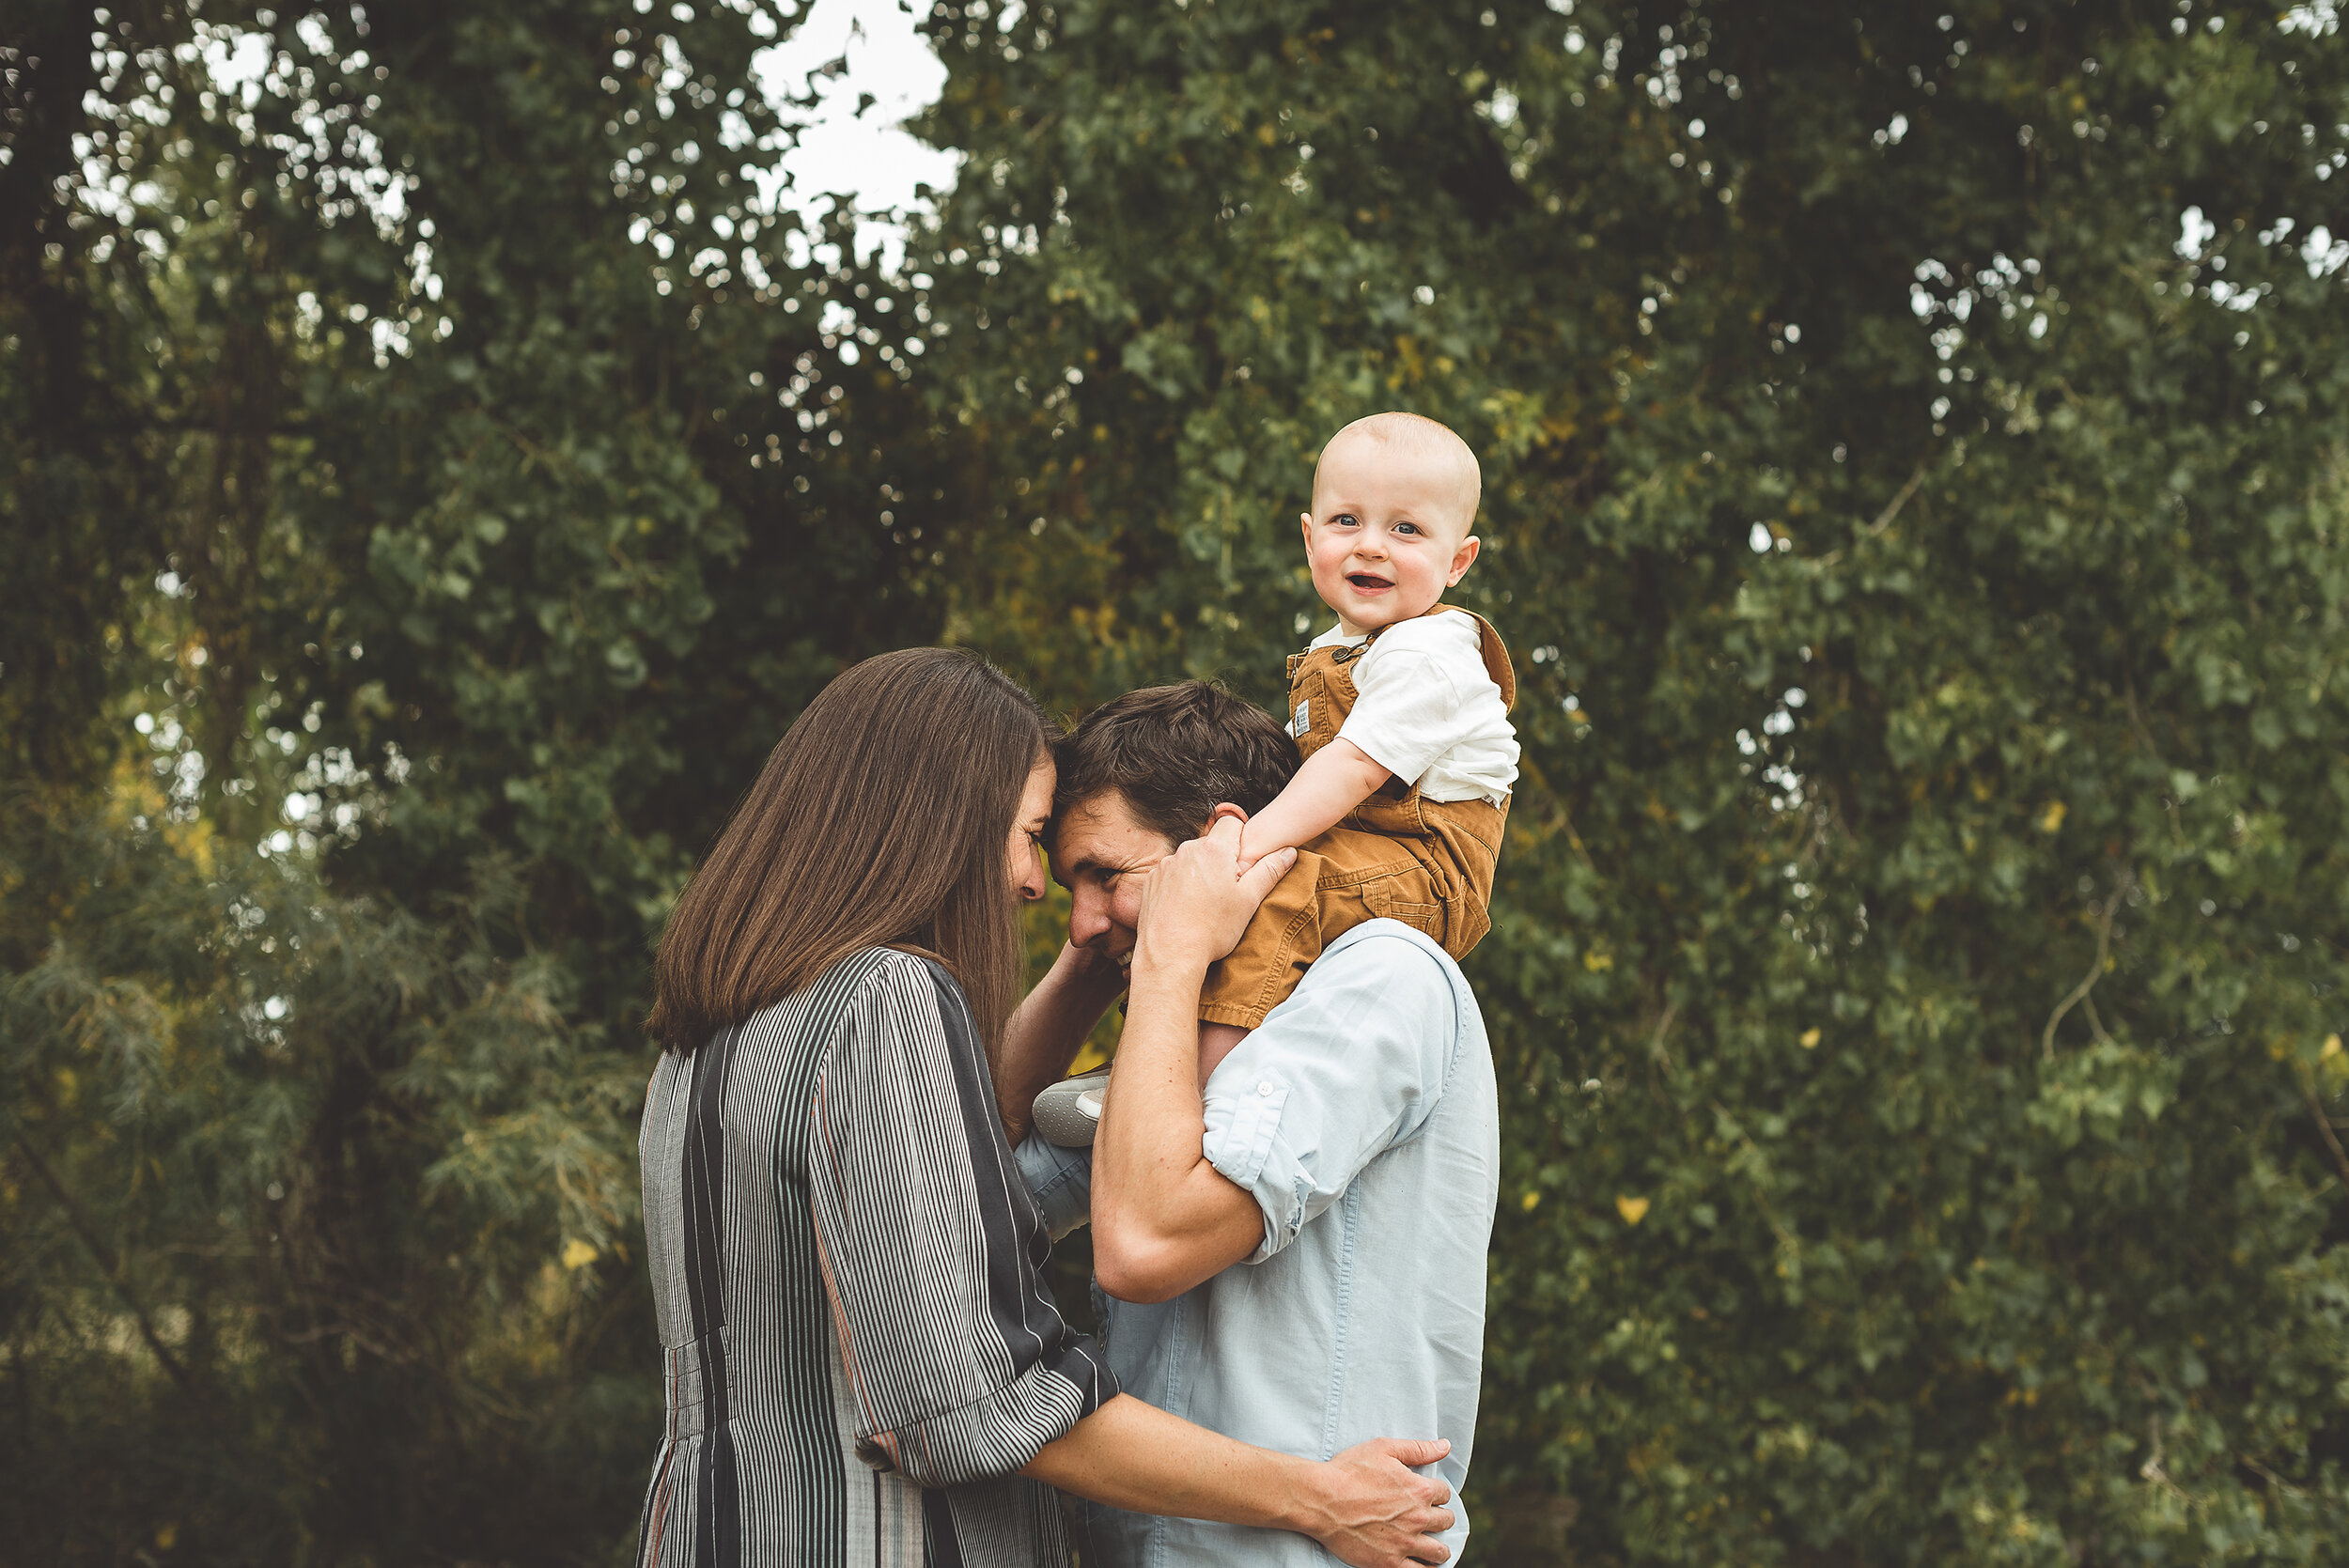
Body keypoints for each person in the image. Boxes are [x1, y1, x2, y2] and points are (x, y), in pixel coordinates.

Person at [633, 648, 1457, 1568]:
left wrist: (1120, 959)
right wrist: (1313, 1495)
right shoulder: (886, 1000)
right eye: (1033, 844)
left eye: (1094, 872)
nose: (1040, 892)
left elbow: (958, 1173)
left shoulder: (709, 1043)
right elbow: (973, 1393)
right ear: (943, 822)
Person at [1004, 681, 1503, 1567]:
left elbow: (1145, 1244)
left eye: (1105, 875)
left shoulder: (1378, 979)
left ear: (1218, 843)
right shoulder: (1181, 1032)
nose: (1077, 919)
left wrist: (1164, 948)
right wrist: (1096, 960)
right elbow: (964, 1174)